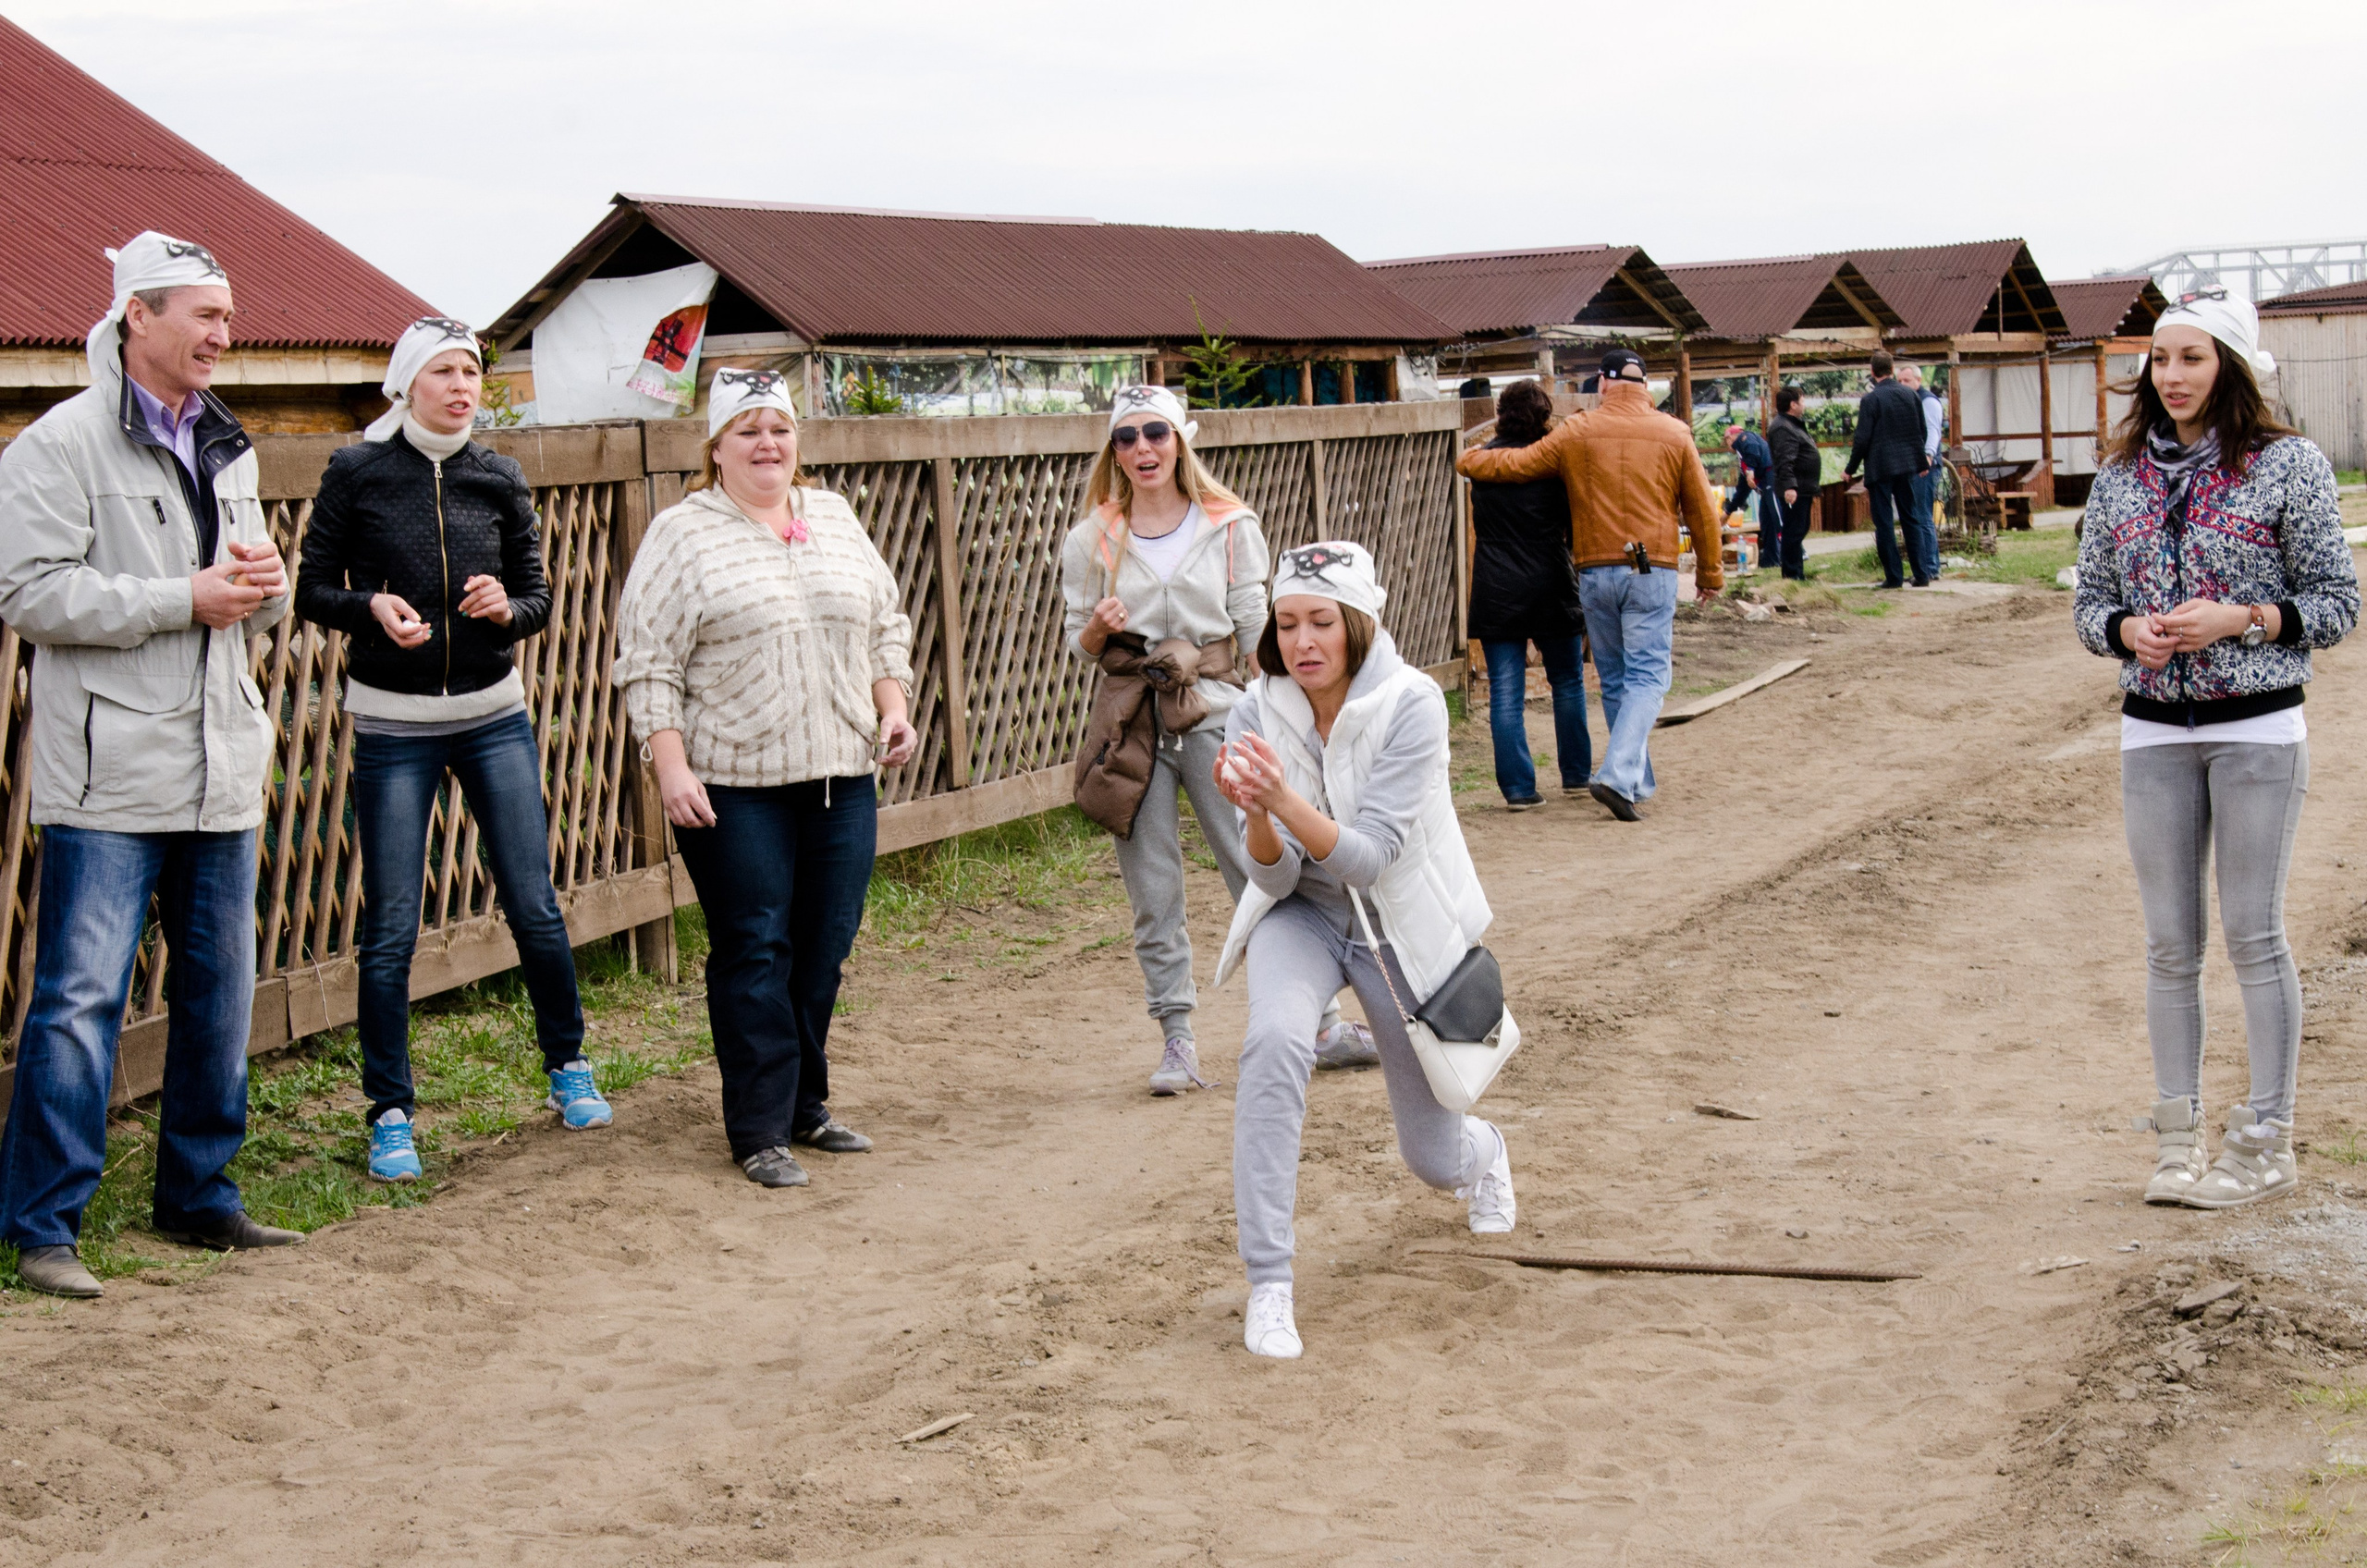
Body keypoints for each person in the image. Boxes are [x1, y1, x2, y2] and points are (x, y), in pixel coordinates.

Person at [0, 232, 300, 1297]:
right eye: (204, 315)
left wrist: (265, 585)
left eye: (228, 314)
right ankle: (43, 1226)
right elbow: (31, 593)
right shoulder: (58, 445)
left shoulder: (231, 445)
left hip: (221, 765)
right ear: (140, 316)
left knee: (219, 994)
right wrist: (184, 597)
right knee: (80, 999)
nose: (225, 333)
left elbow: (256, 601)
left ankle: (201, 1198)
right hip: (111, 773)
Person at [295, 318, 603, 1184]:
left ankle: (567, 1064)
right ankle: (391, 1113)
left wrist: (509, 608)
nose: (463, 384)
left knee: (534, 904)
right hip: (392, 727)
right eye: (444, 371)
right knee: (391, 926)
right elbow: (314, 589)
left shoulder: (496, 475)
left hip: (492, 715)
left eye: (472, 370)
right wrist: (371, 611)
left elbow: (539, 596)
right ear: (407, 383)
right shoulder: (358, 472)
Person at [2075, 289, 2357, 1210]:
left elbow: (2336, 603)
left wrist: (2243, 618)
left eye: (2191, 358)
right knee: (2168, 943)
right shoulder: (2118, 475)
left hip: (2257, 729)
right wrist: (2125, 633)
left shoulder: (2288, 466)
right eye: (2160, 360)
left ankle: (2266, 1139)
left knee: (2253, 933)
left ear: (2230, 365)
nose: (2172, 376)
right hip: (2151, 732)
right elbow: (2087, 607)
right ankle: (2175, 1139)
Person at [615, 368, 919, 1190]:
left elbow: (883, 625)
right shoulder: (684, 534)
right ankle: (757, 1130)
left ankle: (804, 1106)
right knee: (755, 947)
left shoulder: (835, 517)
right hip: (731, 784)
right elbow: (648, 664)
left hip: (840, 776)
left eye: (778, 428)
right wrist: (670, 769)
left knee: (822, 950)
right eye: (745, 430)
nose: (766, 444)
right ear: (715, 448)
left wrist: (893, 708)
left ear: (798, 441)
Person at [1211, 542, 1515, 1359]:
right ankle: (1269, 1286)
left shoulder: (1412, 704)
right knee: (1273, 1043)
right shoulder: (1254, 710)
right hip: (1301, 918)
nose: (1303, 642)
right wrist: (1258, 816)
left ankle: (1484, 1154)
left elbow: (1370, 857)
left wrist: (1278, 795)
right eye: (1286, 624)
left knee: (1432, 1158)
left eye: (1321, 622)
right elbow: (1270, 878)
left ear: (1357, 624)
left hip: (1394, 928)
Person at [1061, 386, 1374, 1089]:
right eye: (1127, 437)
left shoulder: (1230, 524)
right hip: (1131, 724)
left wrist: (1288, 712)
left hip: (1213, 711)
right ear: (1113, 450)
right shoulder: (1093, 537)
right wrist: (1097, 630)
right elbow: (1076, 641)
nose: (1143, 449)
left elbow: (1257, 628)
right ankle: (1177, 1040)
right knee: (1153, 885)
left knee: (1258, 866)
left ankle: (1318, 1022)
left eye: (1156, 434)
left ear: (1179, 442)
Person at [1456, 348, 1722, 823]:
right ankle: (1615, 776)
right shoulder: (1674, 432)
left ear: (1603, 383)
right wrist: (1709, 573)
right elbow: (1702, 511)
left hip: (1593, 573)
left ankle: (1632, 780)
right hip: (1649, 568)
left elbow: (1514, 465)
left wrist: (1469, 460)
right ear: (1647, 386)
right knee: (1647, 677)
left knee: (1615, 679)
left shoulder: (1577, 432)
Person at [1466, 381, 1588, 809]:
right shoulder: (1554, 461)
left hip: (1496, 583)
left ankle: (1518, 789)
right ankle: (1576, 775)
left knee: (1505, 690)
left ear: (1501, 413)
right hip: (1550, 578)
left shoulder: (1482, 463)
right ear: (1543, 416)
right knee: (1568, 682)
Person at [1845, 350, 1933, 589]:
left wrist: (1850, 469)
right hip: (1906, 466)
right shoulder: (1911, 395)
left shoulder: (1870, 400)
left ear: (1873, 373)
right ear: (1893, 370)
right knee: (1911, 518)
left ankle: (1894, 577)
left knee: (1884, 523)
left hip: (1880, 467)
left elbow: (1862, 439)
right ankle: (1922, 574)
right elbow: (1922, 431)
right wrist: (1918, 460)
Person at [1765, 386, 1821, 580]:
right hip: (1795, 487)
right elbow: (1784, 459)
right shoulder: (1783, 427)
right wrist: (1790, 485)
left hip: (1803, 486)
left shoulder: (1791, 424)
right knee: (1793, 531)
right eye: (1802, 401)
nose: (1804, 404)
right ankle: (1792, 574)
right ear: (1793, 404)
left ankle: (1797, 573)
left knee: (1799, 529)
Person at [1899, 364, 1946, 574]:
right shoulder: (1909, 401)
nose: (1902, 385)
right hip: (1913, 464)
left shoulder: (1928, 401)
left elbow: (1933, 432)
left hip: (1925, 465)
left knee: (1923, 515)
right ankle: (1925, 565)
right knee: (1916, 514)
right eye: (1899, 381)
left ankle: (1930, 566)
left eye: (1906, 381)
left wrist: (1927, 457)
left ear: (1918, 381)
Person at [1722, 422, 1775, 571]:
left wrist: (1750, 469)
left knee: (1777, 520)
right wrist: (1728, 511)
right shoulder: (1742, 459)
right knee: (1766, 521)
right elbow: (1743, 489)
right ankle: (1772, 561)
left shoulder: (1746, 438)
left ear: (1731, 437)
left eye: (1727, 440)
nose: (1727, 444)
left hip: (1772, 480)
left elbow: (1754, 450)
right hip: (1765, 489)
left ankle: (1797, 552)